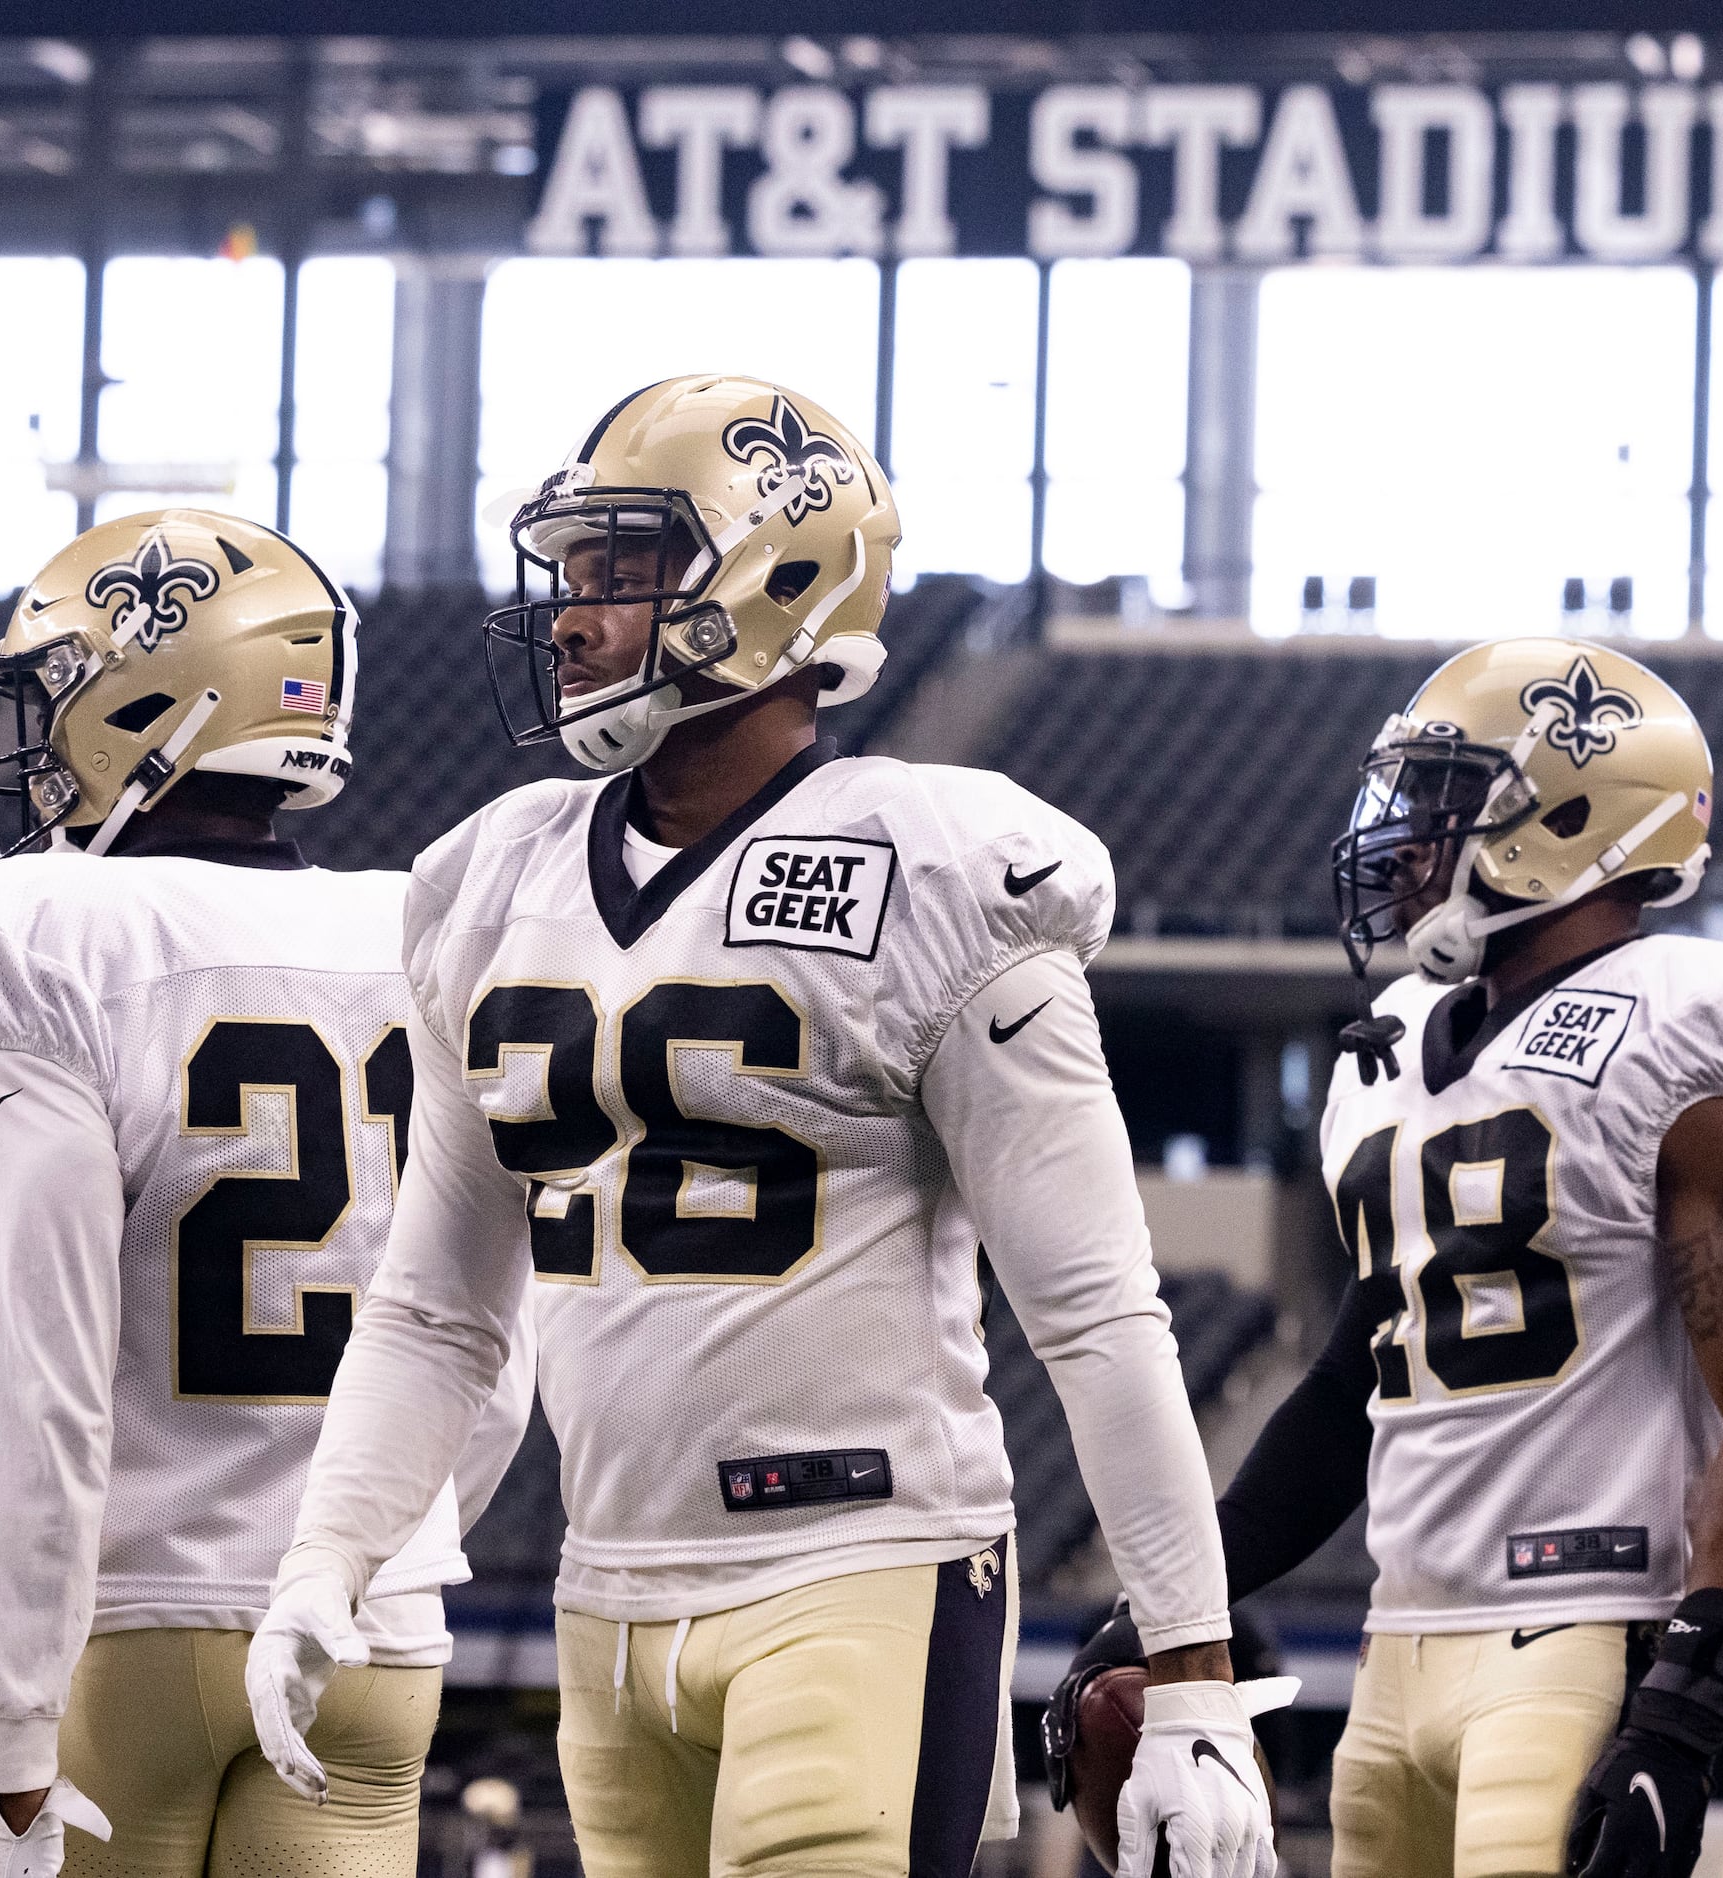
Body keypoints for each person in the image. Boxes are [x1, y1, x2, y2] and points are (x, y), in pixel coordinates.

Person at [247, 376, 1285, 1878]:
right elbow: (433, 1312)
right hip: (602, 1595)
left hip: (860, 1565)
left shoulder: (933, 869)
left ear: (774, 578)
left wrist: (1193, 1674)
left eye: (623, 570)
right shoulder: (487, 881)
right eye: (573, 573)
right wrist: (324, 1558)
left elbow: (1100, 1312)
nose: (575, 616)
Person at [0, 509, 531, 1878]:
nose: (41, 734)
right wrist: (383, 1541)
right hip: (371, 1633)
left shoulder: (51, 928)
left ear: (157, 691)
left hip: (127, 1623)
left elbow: (41, 1373)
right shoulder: (420, 924)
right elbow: (488, 1349)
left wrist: (12, 1723)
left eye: (61, 685)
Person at [1198, 640, 1723, 1878]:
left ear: (1568, 815)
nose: (1405, 842)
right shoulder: (1389, 1046)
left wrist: (1686, 1709)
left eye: (1444, 804)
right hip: (1398, 1648)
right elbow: (1354, 1384)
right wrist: (1179, 1595)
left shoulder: (1688, 1027)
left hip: (1578, 1639)